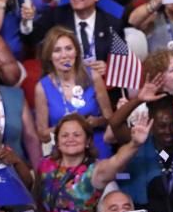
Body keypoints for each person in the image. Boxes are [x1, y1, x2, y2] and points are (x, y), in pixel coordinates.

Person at [37, 113, 147, 212]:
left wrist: (134, 144)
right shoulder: (45, 164)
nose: (70, 139)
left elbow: (116, 162)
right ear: (57, 142)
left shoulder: (95, 170)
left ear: (88, 141)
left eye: (77, 135)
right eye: (65, 135)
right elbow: (36, 198)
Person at [25, 0, 125, 76]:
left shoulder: (112, 24)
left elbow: (122, 63)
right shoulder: (56, 16)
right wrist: (27, 20)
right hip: (63, 83)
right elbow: (30, 39)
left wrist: (109, 68)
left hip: (99, 83)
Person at [33, 26, 113, 157]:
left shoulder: (93, 77)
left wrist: (96, 122)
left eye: (68, 49)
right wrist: (69, 129)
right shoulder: (42, 88)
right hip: (63, 152)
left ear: (76, 52)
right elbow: (42, 134)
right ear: (49, 56)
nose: (64, 55)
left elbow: (110, 118)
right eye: (57, 50)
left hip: (96, 147)